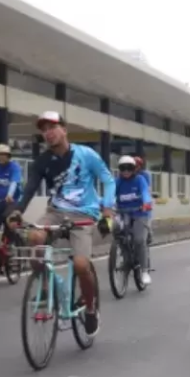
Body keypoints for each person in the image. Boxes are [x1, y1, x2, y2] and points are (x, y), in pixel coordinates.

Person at [9, 111, 115, 338]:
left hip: (84, 215)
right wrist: (17, 211)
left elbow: (108, 179)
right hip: (55, 212)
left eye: (53, 127)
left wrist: (107, 209)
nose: (48, 133)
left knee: (79, 265)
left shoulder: (86, 155)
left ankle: (90, 307)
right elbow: (30, 188)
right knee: (35, 239)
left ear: (64, 130)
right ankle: (46, 288)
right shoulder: (43, 161)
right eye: (44, 129)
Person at [115, 155, 153, 285]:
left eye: (129, 168)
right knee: (115, 229)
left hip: (139, 213)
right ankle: (125, 256)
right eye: (123, 168)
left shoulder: (140, 179)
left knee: (138, 239)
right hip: (123, 213)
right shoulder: (118, 181)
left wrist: (146, 202)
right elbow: (109, 194)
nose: (126, 171)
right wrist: (103, 203)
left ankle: (144, 270)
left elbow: (145, 192)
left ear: (134, 169)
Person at [134, 156, 154, 247]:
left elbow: (147, 189)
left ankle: (148, 232)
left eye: (136, 165)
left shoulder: (144, 175)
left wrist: (145, 200)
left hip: (141, 200)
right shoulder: (124, 175)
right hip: (129, 201)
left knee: (146, 217)